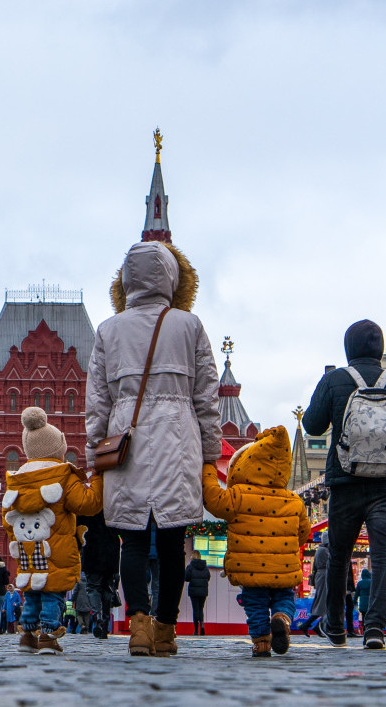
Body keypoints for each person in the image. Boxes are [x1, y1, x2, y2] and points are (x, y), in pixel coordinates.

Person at [86, 241, 221, 658]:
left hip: (125, 439)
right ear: (172, 277)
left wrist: (96, 453)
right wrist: (211, 453)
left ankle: (138, 626)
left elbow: (97, 402)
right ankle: (165, 631)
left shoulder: (109, 329)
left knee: (131, 541)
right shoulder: (189, 324)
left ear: (126, 280)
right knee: (171, 541)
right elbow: (206, 395)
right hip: (178, 438)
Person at [303, 320, 386, 650]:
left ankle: (336, 628)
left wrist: (326, 391)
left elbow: (312, 426)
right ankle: (374, 629)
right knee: (383, 555)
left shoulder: (335, 379)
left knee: (339, 554)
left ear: (348, 348)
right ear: (381, 348)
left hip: (345, 480)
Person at [201, 425, 312, 657]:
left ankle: (261, 643)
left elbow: (213, 499)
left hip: (250, 570)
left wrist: (209, 468)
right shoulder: (294, 501)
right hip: (283, 570)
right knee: (284, 599)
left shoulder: (238, 495)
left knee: (256, 605)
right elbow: (304, 534)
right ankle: (282, 618)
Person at [2, 407, 103, 655]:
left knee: (33, 593)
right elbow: (87, 504)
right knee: (53, 592)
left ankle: (27, 636)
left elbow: (8, 519)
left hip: (28, 551)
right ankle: (48, 636)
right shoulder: (62, 475)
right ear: (58, 447)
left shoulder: (17, 479)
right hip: (57, 551)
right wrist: (98, 478)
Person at [300, 534, 329, 638]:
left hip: (322, 578)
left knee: (324, 604)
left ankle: (313, 625)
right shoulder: (324, 551)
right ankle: (310, 625)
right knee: (324, 604)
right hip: (325, 578)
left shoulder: (320, 550)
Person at [183, 551, 211, 636]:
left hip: (193, 591)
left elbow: (186, 578)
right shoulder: (205, 567)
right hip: (203, 590)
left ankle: (196, 630)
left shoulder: (190, 566)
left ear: (193, 556)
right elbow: (208, 577)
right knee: (201, 608)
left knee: (195, 609)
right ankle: (202, 624)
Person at [354, 569, 372, 633]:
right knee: (370, 616)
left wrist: (354, 601)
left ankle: (364, 629)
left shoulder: (360, 583)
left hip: (363, 603)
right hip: (370, 602)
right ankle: (369, 628)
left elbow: (356, 594)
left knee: (364, 616)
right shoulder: (371, 582)